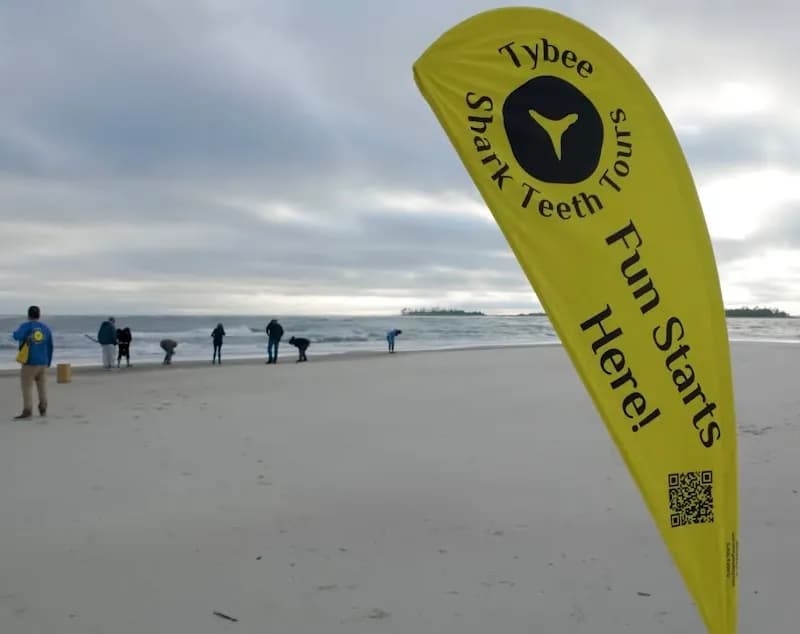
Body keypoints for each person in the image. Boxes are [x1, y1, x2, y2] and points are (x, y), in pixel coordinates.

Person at [11, 305, 54, 420]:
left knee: (27, 387)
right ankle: (43, 407)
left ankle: (28, 410)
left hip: (29, 362)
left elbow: (17, 336)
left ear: (28, 315)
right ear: (39, 315)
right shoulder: (45, 328)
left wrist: (16, 332)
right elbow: (50, 346)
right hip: (43, 362)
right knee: (42, 386)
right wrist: (48, 361)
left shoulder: (26, 326)